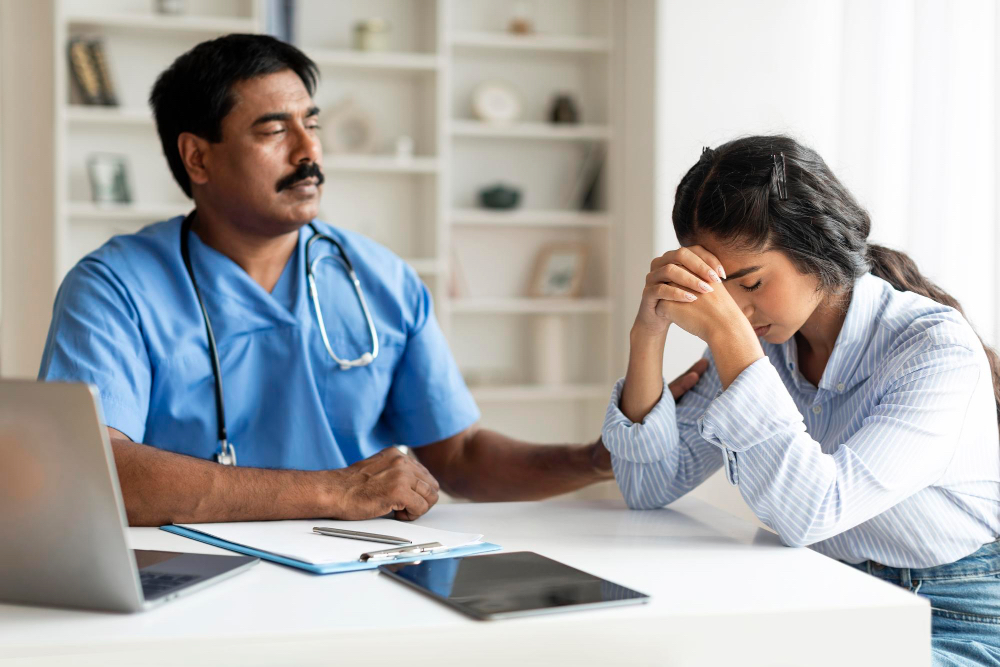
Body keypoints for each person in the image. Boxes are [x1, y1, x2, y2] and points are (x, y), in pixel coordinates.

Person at [38, 34, 703, 527]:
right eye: (274, 130)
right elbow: (97, 471)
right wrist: (335, 490)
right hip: (187, 574)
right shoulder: (114, 288)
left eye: (312, 124)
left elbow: (460, 455)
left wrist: (598, 456)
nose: (308, 152)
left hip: (356, 568)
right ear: (197, 157)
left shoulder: (381, 279)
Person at [604, 135, 1000, 664]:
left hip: (954, 613)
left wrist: (728, 339)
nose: (737, 312)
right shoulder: (765, 346)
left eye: (751, 283)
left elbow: (815, 512)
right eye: (722, 295)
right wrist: (647, 333)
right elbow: (649, 486)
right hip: (825, 594)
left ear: (813, 248)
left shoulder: (934, 349)